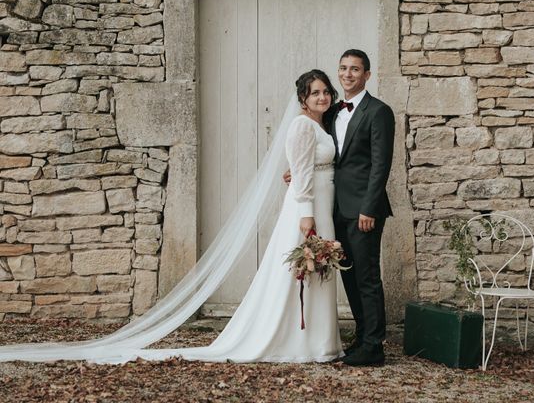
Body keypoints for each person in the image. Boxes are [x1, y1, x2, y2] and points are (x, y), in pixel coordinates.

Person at [0, 70, 343, 364]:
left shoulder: (319, 126)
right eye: (315, 92)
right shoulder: (301, 126)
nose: (323, 96)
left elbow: (304, 168)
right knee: (303, 275)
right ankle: (298, 343)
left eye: (326, 91)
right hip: (306, 211)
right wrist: (305, 217)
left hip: (320, 206)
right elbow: (299, 176)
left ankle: (318, 341)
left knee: (315, 275)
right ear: (302, 98)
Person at [328, 49, 394, 367]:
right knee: (349, 276)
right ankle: (362, 336)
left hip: (365, 210)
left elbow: (381, 164)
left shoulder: (378, 111)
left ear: (367, 74)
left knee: (367, 277)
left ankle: (374, 346)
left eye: (355, 69)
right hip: (337, 208)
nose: (348, 74)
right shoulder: (333, 112)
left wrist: (369, 208)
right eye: (343, 68)